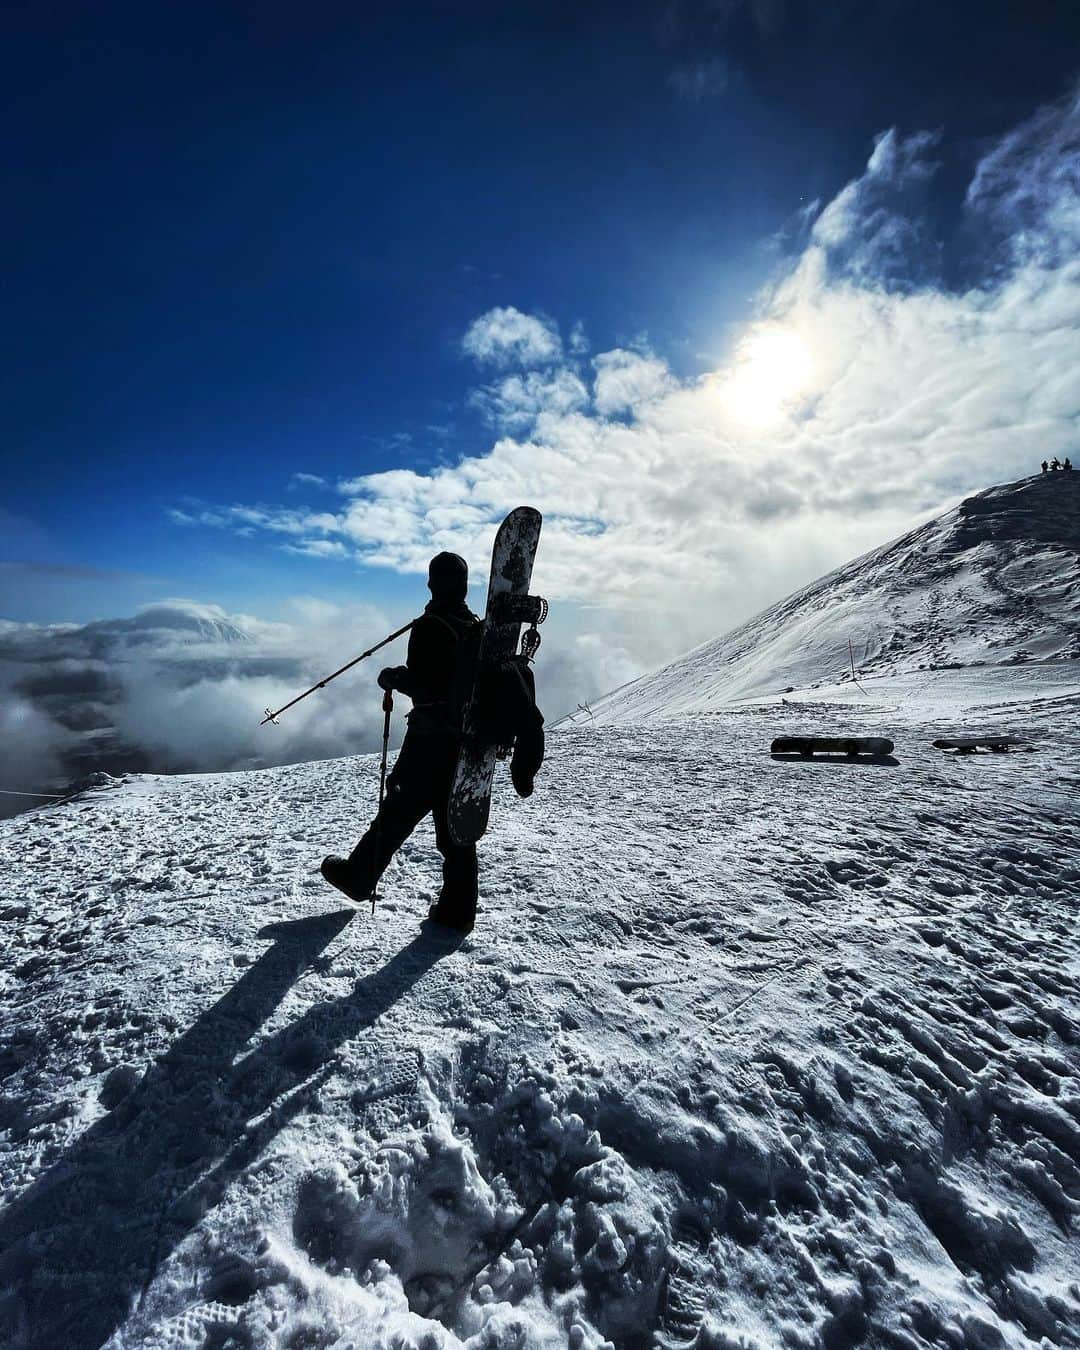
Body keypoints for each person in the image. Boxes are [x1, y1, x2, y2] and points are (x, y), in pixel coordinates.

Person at [321, 552, 481, 932]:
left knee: (399, 809)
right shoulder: (475, 627)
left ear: (433, 583)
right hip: (466, 741)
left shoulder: (430, 626)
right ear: (463, 586)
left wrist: (393, 677)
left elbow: (426, 686)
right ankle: (458, 909)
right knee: (452, 824)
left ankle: (360, 876)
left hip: (431, 740)